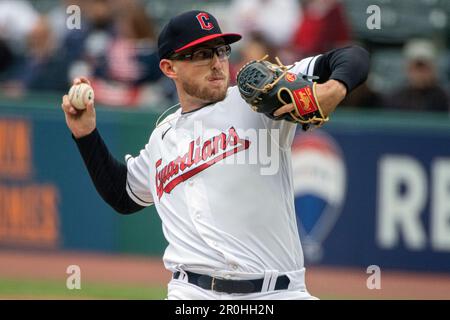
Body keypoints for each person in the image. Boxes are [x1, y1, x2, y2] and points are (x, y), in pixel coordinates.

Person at [61, 10, 369, 300]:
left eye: (221, 50)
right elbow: (123, 195)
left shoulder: (257, 101)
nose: (217, 62)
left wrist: (333, 88)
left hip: (277, 292)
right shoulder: (162, 137)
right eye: (201, 54)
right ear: (169, 67)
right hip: (191, 293)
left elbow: (353, 55)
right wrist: (86, 134)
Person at [383, 39, 449, 112]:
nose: (420, 73)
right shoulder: (395, 99)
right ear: (408, 69)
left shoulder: (445, 99)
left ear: (434, 69)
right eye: (417, 67)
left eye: (425, 67)